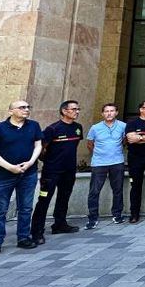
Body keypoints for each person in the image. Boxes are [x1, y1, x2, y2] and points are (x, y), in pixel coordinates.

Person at [0, 101, 43, 256]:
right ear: (10, 111)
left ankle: (23, 237)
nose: (26, 110)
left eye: (28, 107)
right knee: (0, 210)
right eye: (22, 107)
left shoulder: (34, 126)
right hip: (3, 176)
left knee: (26, 208)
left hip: (28, 174)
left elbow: (38, 146)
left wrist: (30, 162)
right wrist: (10, 167)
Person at [31, 100, 82, 244]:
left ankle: (59, 224)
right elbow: (41, 148)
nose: (77, 111)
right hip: (52, 172)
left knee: (64, 197)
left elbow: (74, 146)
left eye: (78, 109)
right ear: (64, 111)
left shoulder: (78, 128)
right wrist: (50, 162)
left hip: (69, 171)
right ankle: (37, 231)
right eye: (74, 109)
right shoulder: (52, 129)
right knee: (44, 200)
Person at [85, 103, 126, 229]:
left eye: (112, 111)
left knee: (118, 190)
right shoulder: (95, 128)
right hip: (99, 163)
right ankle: (92, 218)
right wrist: (99, 155)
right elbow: (90, 144)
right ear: (102, 114)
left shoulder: (123, 126)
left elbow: (125, 141)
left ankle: (117, 215)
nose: (109, 113)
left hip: (117, 162)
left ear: (116, 112)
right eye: (106, 111)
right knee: (94, 191)